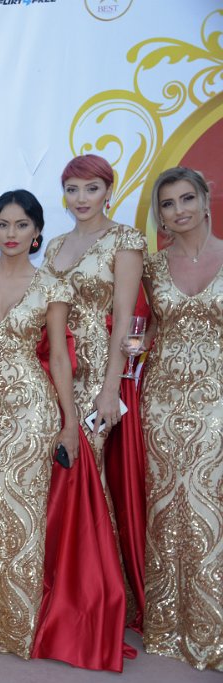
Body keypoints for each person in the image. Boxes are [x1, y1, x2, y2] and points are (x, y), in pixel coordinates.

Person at [0, 191, 78, 658]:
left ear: (37, 232)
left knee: (24, 519)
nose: (11, 233)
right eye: (3, 224)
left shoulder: (51, 286)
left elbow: (60, 358)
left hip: (32, 412)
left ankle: (19, 627)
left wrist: (69, 423)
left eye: (22, 225)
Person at [139, 167, 222, 671]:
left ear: (206, 199)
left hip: (218, 401)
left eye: (187, 198)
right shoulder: (151, 267)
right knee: (167, 510)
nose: (179, 210)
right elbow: (145, 328)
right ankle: (168, 625)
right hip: (162, 405)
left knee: (215, 508)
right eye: (168, 204)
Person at [39, 154, 145, 463]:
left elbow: (124, 317)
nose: (81, 198)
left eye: (92, 188)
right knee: (55, 465)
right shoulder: (54, 245)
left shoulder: (124, 239)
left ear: (109, 191)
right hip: (53, 366)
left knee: (87, 460)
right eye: (72, 190)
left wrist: (110, 388)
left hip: (98, 368)